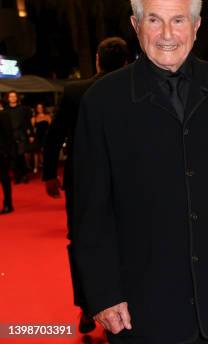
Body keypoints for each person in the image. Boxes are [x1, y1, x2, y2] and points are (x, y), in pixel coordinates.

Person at [72, 0, 208, 344]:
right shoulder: (102, 102)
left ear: (196, 26)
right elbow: (89, 212)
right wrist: (102, 293)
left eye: (178, 20)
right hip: (140, 306)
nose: (167, 33)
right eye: (154, 19)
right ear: (136, 25)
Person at [42, 36, 130, 334]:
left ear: (97, 60)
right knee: (127, 237)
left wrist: (49, 174)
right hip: (127, 180)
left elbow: (55, 136)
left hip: (82, 182)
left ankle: (86, 306)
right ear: (127, 61)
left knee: (81, 242)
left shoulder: (76, 90)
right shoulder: (132, 88)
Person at [5, 91, 33, 184]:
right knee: (13, 157)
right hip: (9, 136)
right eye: (10, 96)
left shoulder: (23, 109)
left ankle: (24, 175)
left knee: (21, 156)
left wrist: (31, 134)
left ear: (17, 98)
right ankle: (17, 176)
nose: (12, 98)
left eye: (14, 96)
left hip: (21, 135)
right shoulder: (5, 110)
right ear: (8, 98)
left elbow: (28, 122)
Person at [30, 103, 52, 174]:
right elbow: (32, 129)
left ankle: (45, 167)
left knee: (44, 152)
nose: (39, 109)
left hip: (45, 136)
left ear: (43, 108)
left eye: (41, 107)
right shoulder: (34, 118)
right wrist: (31, 136)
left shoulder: (47, 116)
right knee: (36, 152)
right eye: (38, 107)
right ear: (36, 109)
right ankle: (35, 167)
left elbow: (51, 127)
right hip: (37, 136)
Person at [0, 109, 13, 214]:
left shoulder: (3, 114)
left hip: (1, 152)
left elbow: (8, 133)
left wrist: (6, 151)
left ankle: (8, 204)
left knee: (4, 178)